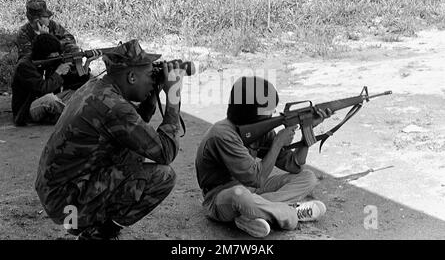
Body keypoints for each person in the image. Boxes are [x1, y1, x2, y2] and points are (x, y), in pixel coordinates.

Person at [35, 39, 186, 240]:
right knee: (163, 176)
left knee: (132, 150)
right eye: (150, 75)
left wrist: (152, 93)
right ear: (131, 76)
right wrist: (173, 96)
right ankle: (100, 233)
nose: (152, 80)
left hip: (59, 190)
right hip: (65, 201)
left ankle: (89, 220)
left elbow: (134, 131)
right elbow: (165, 152)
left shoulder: (98, 87)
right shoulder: (113, 106)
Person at [195, 76, 331, 238]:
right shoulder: (222, 135)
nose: (273, 114)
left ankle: (253, 214)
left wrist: (307, 129)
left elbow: (295, 165)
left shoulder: (259, 129)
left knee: (307, 177)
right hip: (220, 198)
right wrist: (278, 142)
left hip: (253, 192)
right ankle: (291, 214)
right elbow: (256, 179)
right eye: (268, 111)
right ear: (249, 112)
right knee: (240, 195)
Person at [15, 0, 89, 90]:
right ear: (37, 20)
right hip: (37, 66)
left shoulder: (53, 25)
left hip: (57, 58)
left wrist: (53, 43)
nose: (49, 19)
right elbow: (30, 56)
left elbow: (70, 39)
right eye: (46, 17)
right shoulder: (24, 33)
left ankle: (73, 82)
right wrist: (43, 38)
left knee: (73, 49)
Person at [11, 33, 74, 126]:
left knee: (74, 92)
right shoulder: (25, 66)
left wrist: (85, 64)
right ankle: (74, 116)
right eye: (53, 56)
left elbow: (73, 82)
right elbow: (43, 89)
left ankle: (65, 114)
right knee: (50, 100)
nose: (56, 56)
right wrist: (58, 72)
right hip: (27, 109)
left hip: (45, 99)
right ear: (42, 55)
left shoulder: (48, 61)